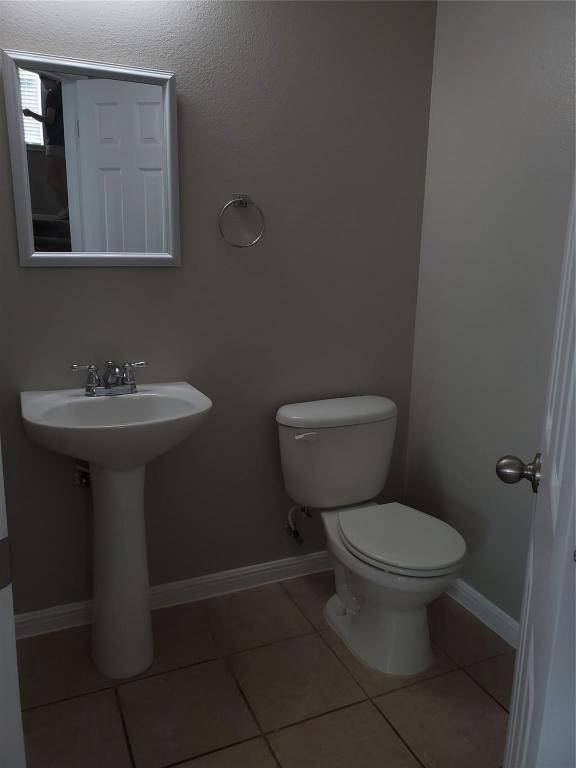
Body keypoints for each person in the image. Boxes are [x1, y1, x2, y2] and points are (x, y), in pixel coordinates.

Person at [23, 75, 68, 218]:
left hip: (56, 143)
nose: (42, 83)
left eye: (43, 80)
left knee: (51, 178)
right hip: (64, 141)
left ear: (50, 79)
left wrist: (30, 114)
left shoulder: (52, 95)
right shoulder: (64, 91)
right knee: (61, 178)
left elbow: (49, 119)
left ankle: (66, 208)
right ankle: (68, 208)